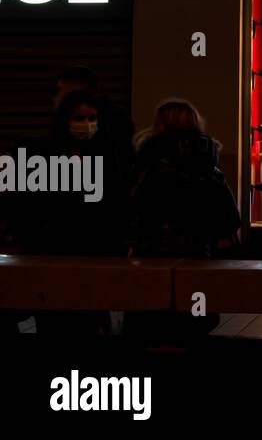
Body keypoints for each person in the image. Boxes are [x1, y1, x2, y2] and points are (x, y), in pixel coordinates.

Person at [123, 99, 242, 341]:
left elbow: (130, 210)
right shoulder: (210, 169)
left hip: (151, 259)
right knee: (193, 328)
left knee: (149, 327)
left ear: (159, 126)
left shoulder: (149, 165)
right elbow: (230, 220)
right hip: (199, 259)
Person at [15, 90, 131, 336]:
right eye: (79, 117)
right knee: (55, 318)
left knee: (89, 315)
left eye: (92, 118)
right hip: (54, 247)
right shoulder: (45, 153)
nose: (87, 125)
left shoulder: (108, 151)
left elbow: (115, 199)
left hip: (94, 248)